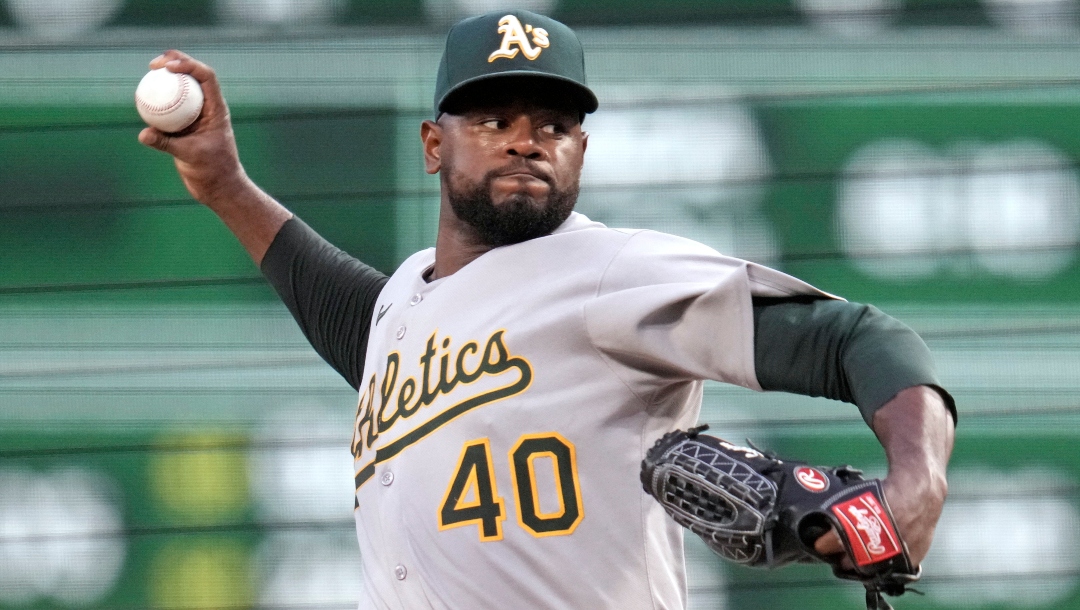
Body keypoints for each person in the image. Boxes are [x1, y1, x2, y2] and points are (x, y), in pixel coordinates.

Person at [138, 10, 955, 609]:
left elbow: (857, 339)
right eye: (494, 119)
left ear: (581, 152)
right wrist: (224, 185)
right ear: (433, 145)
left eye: (554, 125)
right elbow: (350, 314)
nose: (526, 140)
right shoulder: (404, 306)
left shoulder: (612, 272)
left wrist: (916, 483)